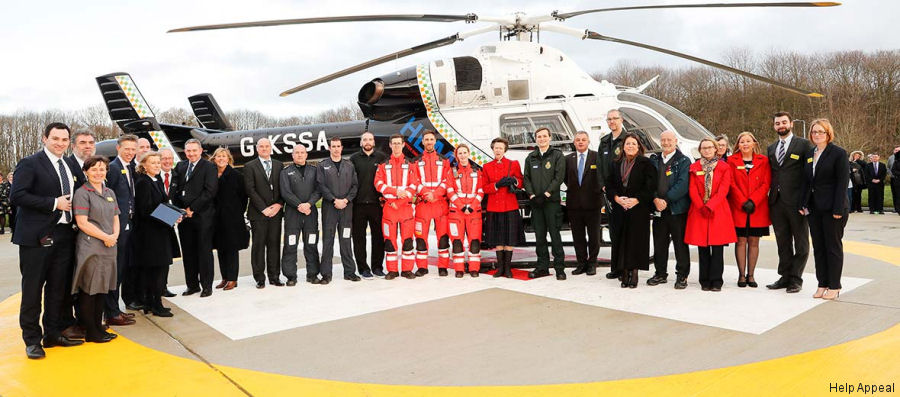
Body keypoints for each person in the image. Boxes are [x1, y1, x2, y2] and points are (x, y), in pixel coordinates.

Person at [11, 122, 83, 359]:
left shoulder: (68, 165)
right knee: (32, 290)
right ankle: (31, 340)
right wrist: (54, 203)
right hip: (36, 237)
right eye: (55, 139)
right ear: (45, 139)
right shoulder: (30, 163)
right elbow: (18, 196)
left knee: (58, 289)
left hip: (64, 235)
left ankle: (52, 333)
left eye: (64, 139)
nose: (60, 143)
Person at [799, 119, 849, 300]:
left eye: (821, 131)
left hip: (833, 208)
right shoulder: (810, 153)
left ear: (828, 134)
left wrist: (838, 208)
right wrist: (802, 204)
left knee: (832, 247)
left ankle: (834, 286)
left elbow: (842, 183)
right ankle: (823, 284)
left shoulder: (838, 153)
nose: (817, 135)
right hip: (814, 208)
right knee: (819, 248)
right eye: (814, 132)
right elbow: (807, 181)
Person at [71, 156, 119, 343]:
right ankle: (91, 331)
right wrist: (106, 237)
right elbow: (82, 222)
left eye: (102, 169)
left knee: (102, 289)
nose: (99, 172)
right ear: (86, 172)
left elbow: (116, 216)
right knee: (89, 289)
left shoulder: (109, 192)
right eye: (94, 169)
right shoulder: (82, 193)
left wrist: (114, 236)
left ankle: (99, 326)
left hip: (109, 246)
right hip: (92, 246)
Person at [766, 111, 813, 293]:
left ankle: (796, 278)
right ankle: (784, 276)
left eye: (784, 122)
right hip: (777, 202)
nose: (781, 126)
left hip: (797, 202)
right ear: (774, 126)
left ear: (791, 124)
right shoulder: (771, 148)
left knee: (801, 242)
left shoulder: (803, 145)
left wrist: (806, 201)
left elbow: (809, 175)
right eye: (777, 123)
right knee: (782, 242)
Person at [606, 133, 657, 288]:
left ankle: (634, 272)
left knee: (636, 241)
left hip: (638, 208)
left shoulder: (646, 163)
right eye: (628, 144)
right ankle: (624, 271)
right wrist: (616, 198)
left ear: (639, 146)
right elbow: (609, 185)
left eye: (633, 144)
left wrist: (636, 200)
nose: (630, 146)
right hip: (620, 208)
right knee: (621, 240)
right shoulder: (615, 163)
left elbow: (650, 186)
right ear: (623, 147)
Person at [685, 138, 737, 291]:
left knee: (717, 248)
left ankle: (716, 280)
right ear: (700, 150)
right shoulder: (694, 167)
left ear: (715, 149)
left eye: (709, 147)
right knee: (702, 247)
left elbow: (724, 189)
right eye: (704, 148)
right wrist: (701, 205)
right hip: (699, 210)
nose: (707, 150)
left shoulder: (724, 167)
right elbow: (692, 189)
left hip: (718, 210)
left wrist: (711, 205)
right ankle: (704, 280)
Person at [133, 152, 180, 317]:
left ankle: (154, 302)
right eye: (152, 163)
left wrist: (176, 214)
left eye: (158, 162)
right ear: (144, 165)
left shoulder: (157, 180)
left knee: (160, 269)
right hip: (150, 235)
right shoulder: (143, 183)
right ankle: (154, 304)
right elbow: (146, 210)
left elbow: (163, 204)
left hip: (161, 232)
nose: (157, 165)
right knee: (155, 270)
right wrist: (172, 216)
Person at [172, 139, 218, 297]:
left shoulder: (209, 167)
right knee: (188, 252)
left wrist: (192, 208)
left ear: (200, 151)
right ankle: (192, 285)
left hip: (202, 216)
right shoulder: (180, 166)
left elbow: (210, 191)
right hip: (184, 217)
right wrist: (181, 209)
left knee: (204, 251)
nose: (191, 154)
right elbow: (175, 189)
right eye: (188, 151)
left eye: (194, 151)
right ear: (185, 152)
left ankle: (206, 285)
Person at [726, 132, 771, 288]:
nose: (745, 144)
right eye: (742, 141)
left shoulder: (763, 160)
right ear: (738, 145)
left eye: (748, 141)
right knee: (740, 241)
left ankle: (751, 275)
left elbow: (766, 183)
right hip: (739, 207)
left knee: (753, 241)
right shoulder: (731, 161)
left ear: (754, 143)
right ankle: (741, 276)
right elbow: (731, 183)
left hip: (757, 208)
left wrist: (754, 200)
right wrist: (743, 201)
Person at [648, 130, 692, 289]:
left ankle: (682, 276)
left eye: (669, 140)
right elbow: (649, 182)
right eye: (663, 140)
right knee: (659, 243)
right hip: (658, 209)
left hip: (677, 210)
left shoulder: (684, 161)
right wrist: (654, 199)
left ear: (675, 141)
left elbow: (682, 184)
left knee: (680, 244)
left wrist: (665, 200)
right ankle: (660, 273)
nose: (666, 143)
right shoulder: (654, 160)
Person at [104, 134, 138, 324]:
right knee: (114, 270)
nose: (130, 153)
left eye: (133, 150)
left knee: (122, 268)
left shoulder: (130, 167)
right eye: (127, 149)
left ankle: (116, 308)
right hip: (117, 227)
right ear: (118, 148)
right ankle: (111, 312)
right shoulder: (114, 168)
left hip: (128, 224)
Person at [375, 134, 419, 280]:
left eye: (399, 143)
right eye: (394, 143)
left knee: (407, 241)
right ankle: (392, 271)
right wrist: (394, 194)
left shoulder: (411, 164)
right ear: (389, 145)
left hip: (405, 208)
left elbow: (414, 186)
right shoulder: (383, 165)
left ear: (403, 145)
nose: (396, 146)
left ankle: (407, 270)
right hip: (389, 209)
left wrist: (398, 201)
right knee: (390, 241)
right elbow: (378, 184)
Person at [524, 127, 566, 280]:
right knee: (540, 237)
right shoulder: (531, 157)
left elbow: (559, 176)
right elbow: (526, 178)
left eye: (544, 136)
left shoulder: (557, 155)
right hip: (536, 203)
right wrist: (533, 195)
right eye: (538, 137)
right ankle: (542, 267)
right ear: (536, 139)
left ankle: (559, 268)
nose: (541, 139)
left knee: (555, 235)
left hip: (552, 203)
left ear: (550, 138)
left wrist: (547, 194)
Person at [243, 138, 285, 288]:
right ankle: (260, 278)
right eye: (261, 146)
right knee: (259, 246)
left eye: (267, 146)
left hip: (276, 213)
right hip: (258, 213)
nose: (264, 148)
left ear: (271, 148)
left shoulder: (279, 165)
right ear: (257, 149)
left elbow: (283, 188)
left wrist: (279, 205)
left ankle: (274, 276)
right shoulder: (249, 166)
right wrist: (264, 208)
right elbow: (250, 190)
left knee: (274, 245)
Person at [317, 137, 360, 283]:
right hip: (330, 208)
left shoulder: (349, 165)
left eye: (338, 146)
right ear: (329, 148)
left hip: (346, 208)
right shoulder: (322, 166)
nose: (336, 149)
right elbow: (321, 186)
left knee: (346, 240)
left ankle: (349, 272)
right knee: (327, 241)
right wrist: (334, 200)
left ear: (342, 148)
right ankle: (326, 274)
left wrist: (346, 200)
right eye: (333, 146)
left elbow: (355, 186)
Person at [482, 137, 524, 278]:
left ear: (505, 150)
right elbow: (484, 188)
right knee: (498, 238)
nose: (498, 150)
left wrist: (514, 180)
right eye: (496, 147)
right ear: (493, 149)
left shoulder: (513, 164)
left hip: (510, 206)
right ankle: (500, 268)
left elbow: (521, 182)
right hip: (494, 207)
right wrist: (496, 185)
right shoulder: (487, 166)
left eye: (500, 148)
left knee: (509, 238)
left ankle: (508, 268)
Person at [280, 145, 321, 285]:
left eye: (302, 152)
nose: (299, 155)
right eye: (296, 153)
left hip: (311, 213)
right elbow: (286, 192)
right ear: (292, 155)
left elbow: (318, 190)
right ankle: (291, 276)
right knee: (290, 245)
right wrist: (299, 205)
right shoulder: (286, 172)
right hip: (293, 214)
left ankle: (313, 274)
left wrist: (309, 204)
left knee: (311, 244)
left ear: (306, 154)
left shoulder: (314, 171)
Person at [349, 132, 388, 279]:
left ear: (374, 142)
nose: (367, 142)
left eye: (370, 139)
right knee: (359, 238)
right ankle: (363, 268)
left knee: (378, 237)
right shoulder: (353, 159)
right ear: (361, 143)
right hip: (358, 205)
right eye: (365, 139)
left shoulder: (382, 158)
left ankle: (377, 267)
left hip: (377, 204)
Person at [413, 130, 452, 277]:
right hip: (423, 206)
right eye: (426, 139)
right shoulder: (415, 162)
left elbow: (447, 181)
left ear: (435, 142)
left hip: (440, 205)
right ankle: (422, 267)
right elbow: (414, 181)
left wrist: (434, 194)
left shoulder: (444, 161)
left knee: (443, 239)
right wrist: (425, 193)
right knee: (421, 239)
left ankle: (443, 267)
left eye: (431, 139)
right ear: (422, 142)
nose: (429, 142)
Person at [565, 131, 602, 276]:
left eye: (583, 140)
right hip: (574, 204)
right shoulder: (568, 159)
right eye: (578, 140)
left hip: (593, 204)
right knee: (578, 236)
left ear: (588, 141)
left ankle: (592, 263)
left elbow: (601, 177)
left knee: (594, 236)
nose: (580, 142)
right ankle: (581, 263)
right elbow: (565, 179)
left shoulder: (596, 157)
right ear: (574, 142)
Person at [212, 148, 249, 290]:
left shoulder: (236, 175)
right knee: (221, 248)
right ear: (214, 159)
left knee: (231, 248)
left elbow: (243, 197)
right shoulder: (212, 174)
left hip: (232, 218)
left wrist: (237, 212)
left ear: (228, 159)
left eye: (224, 156)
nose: (221, 158)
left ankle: (233, 278)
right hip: (216, 218)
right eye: (218, 156)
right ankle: (225, 277)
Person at [445, 145, 484, 277]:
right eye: (459, 153)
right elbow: (449, 191)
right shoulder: (452, 172)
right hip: (456, 212)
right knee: (457, 242)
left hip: (474, 212)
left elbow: (481, 190)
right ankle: (459, 269)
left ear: (469, 154)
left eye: (464, 153)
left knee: (474, 241)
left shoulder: (477, 171)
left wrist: (472, 206)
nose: (462, 155)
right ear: (457, 156)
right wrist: (461, 206)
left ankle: (474, 269)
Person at [598, 109, 626, 280]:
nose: (612, 122)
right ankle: (615, 267)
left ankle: (625, 268)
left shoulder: (628, 139)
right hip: (609, 193)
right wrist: (602, 185)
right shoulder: (604, 141)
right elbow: (599, 166)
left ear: (621, 120)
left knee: (625, 232)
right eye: (609, 119)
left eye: (615, 118)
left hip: (624, 193)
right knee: (614, 231)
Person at [158, 148, 178, 298]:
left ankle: (163, 286)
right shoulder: (151, 177)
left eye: (170, 158)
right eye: (163, 158)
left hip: (170, 224)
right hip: (156, 223)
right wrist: (172, 216)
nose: (167, 161)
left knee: (166, 257)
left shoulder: (178, 176)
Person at [891, 147, 900, 215]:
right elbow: (893, 170)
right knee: (898, 195)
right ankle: (898, 209)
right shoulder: (896, 161)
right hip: (898, 181)